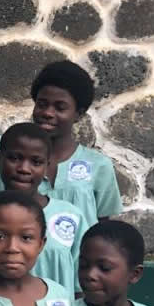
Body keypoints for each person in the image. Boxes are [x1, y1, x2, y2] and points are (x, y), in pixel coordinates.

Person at [0, 122, 89, 295]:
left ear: (46, 167)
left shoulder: (71, 216)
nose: (24, 169)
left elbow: (81, 287)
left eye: (36, 162)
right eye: (15, 158)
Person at [32, 60, 122, 224]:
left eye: (60, 107)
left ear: (79, 114)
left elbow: (104, 227)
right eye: (42, 104)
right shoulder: (17, 163)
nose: (47, 113)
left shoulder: (98, 166)